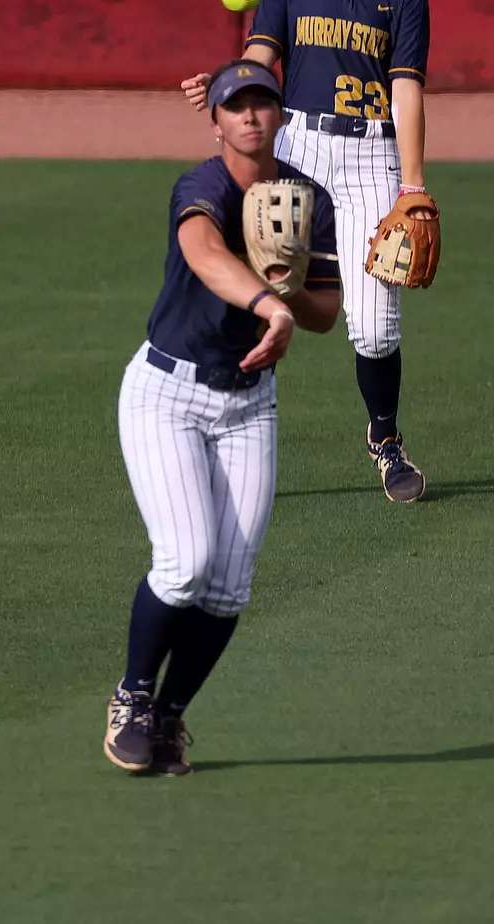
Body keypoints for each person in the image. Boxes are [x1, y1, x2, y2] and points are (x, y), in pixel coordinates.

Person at [106, 59, 342, 777]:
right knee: (184, 564)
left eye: (261, 104)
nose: (249, 116)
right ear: (215, 121)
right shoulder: (201, 185)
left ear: (279, 116)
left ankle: (170, 720)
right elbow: (204, 253)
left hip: (248, 408)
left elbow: (327, 314)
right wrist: (266, 304)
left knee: (230, 584)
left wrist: (290, 286)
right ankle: (133, 697)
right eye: (235, 105)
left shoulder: (308, 197)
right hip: (166, 395)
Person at [181, 0, 437, 504]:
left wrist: (411, 184)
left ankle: (385, 439)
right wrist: (221, 82)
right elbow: (258, 62)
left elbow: (405, 90)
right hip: (295, 150)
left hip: (369, 161)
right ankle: (219, 436)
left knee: (374, 327)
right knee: (254, 293)